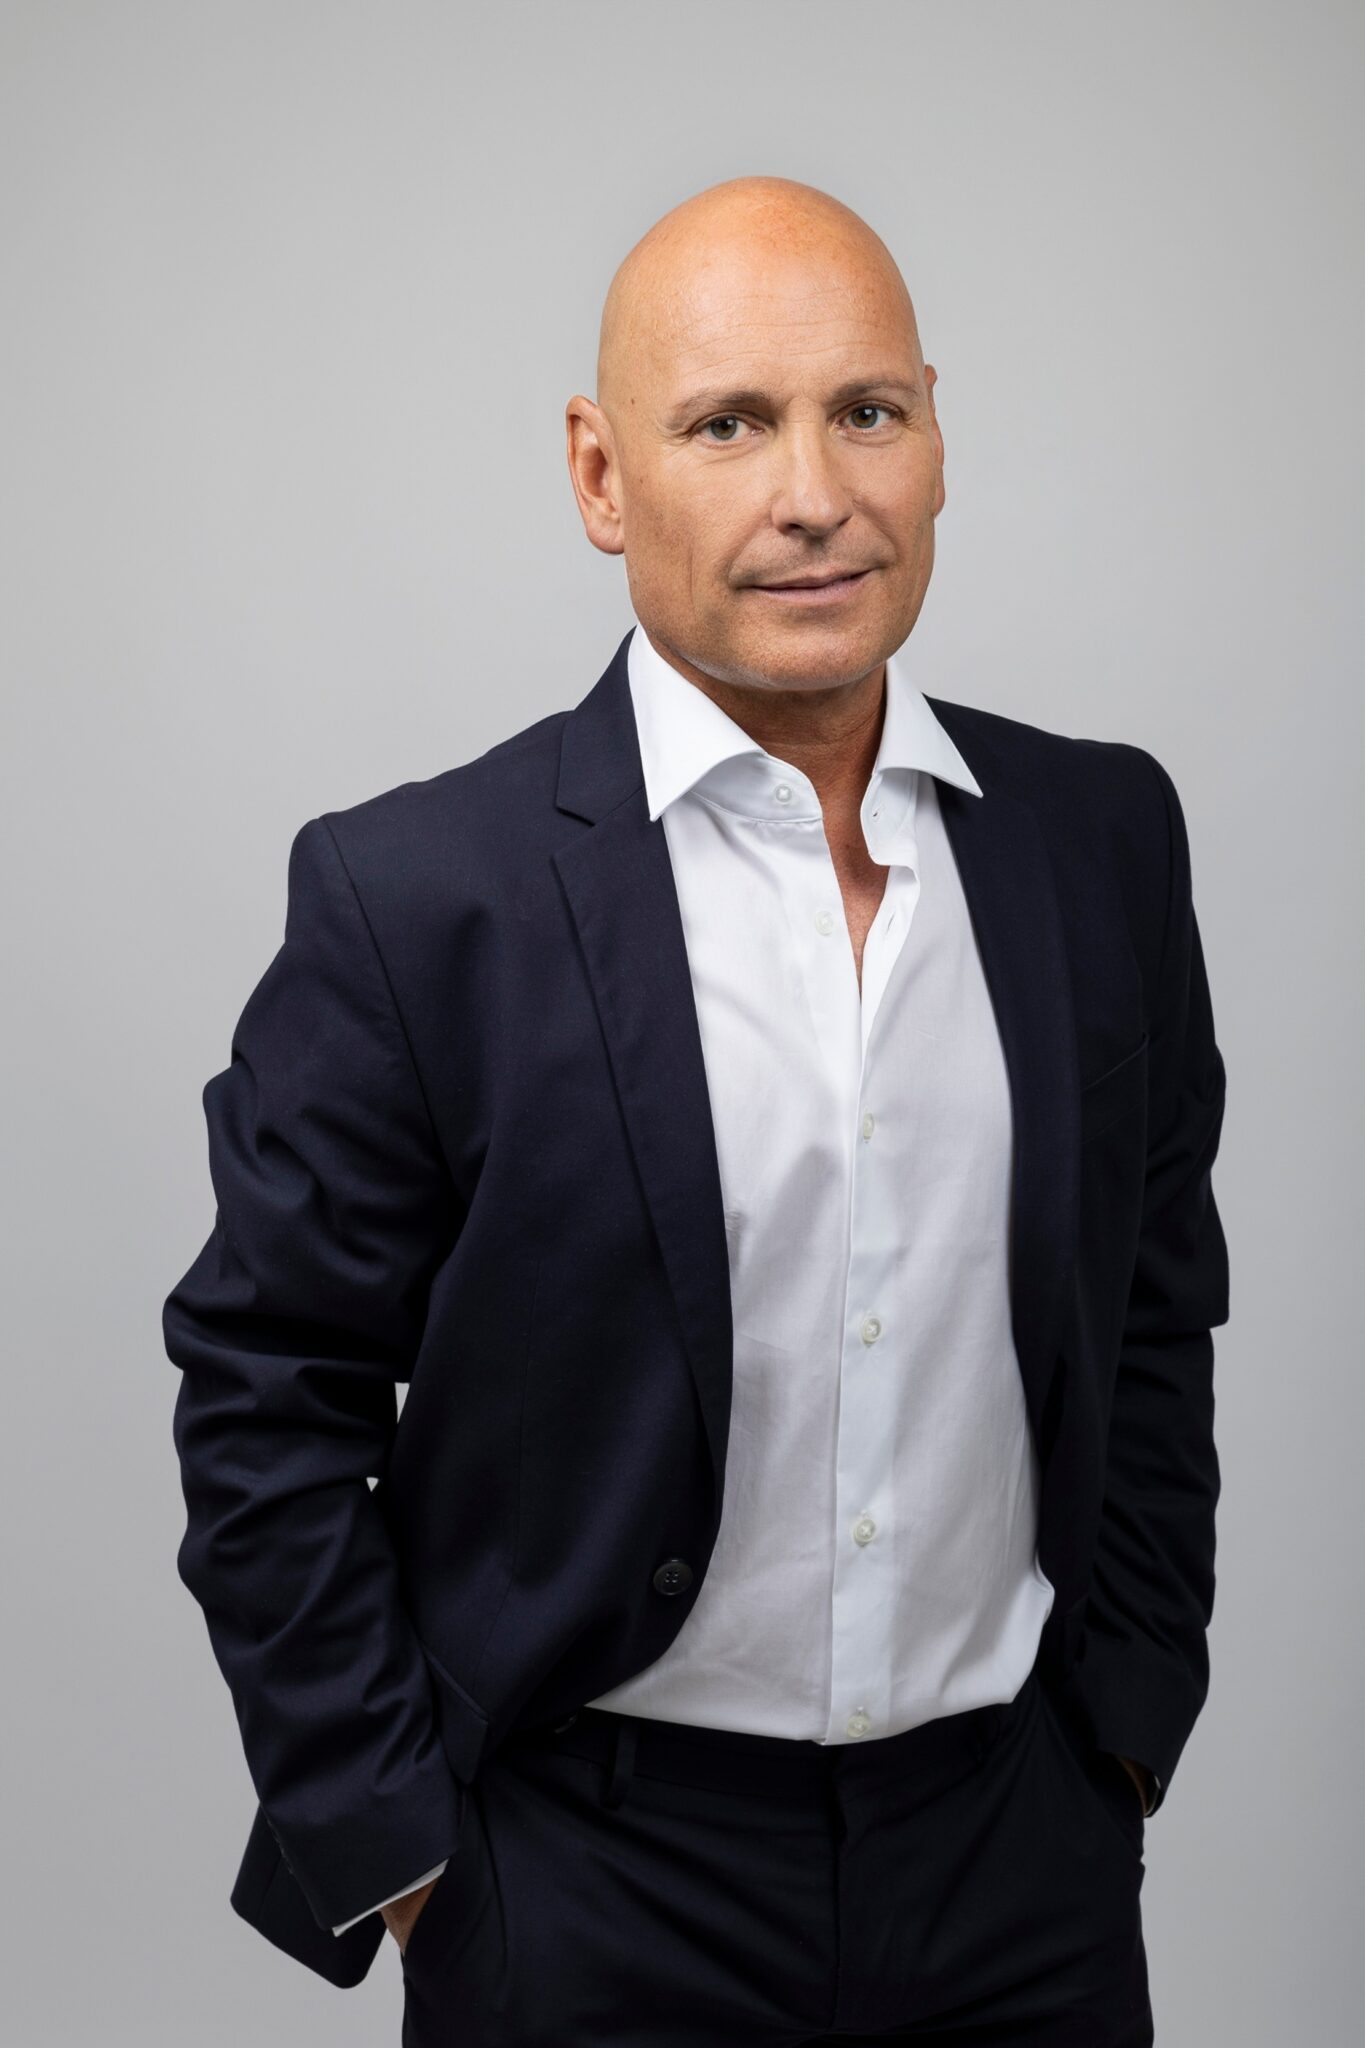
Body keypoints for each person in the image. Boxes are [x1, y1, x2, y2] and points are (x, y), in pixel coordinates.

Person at [164, 174, 1229, 2045]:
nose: (812, 493)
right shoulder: (418, 899)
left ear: (936, 438)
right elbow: (266, 1396)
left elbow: (1150, 1312)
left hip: (1018, 1862)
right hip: (588, 1883)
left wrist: (1122, 1735)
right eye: (727, 424)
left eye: (864, 412)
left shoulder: (1097, 841)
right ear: (601, 475)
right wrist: (404, 1852)